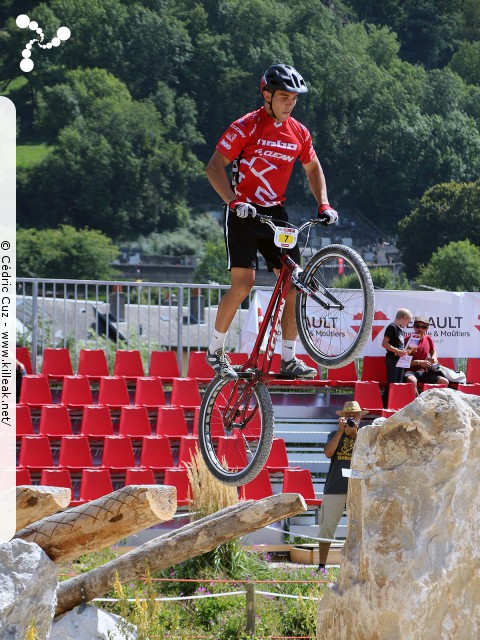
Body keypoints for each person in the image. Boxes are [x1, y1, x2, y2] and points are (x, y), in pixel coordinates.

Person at [204, 63, 338, 380]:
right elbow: (213, 167)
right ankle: (215, 350)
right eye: (283, 97)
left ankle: (289, 359)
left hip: (276, 214)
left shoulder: (299, 132)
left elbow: (313, 168)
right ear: (266, 95)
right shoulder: (246, 126)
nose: (289, 103)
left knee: (293, 283)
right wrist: (234, 201)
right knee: (243, 284)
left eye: (293, 98)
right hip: (243, 212)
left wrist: (324, 203)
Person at [317, 400, 368, 575]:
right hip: (335, 487)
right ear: (342, 417)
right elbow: (328, 453)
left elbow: (368, 456)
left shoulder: (364, 435)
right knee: (327, 528)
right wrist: (340, 432)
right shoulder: (333, 434)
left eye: (354, 415)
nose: (351, 418)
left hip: (358, 489)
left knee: (359, 528)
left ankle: (359, 566)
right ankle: (321, 566)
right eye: (348, 415)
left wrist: (356, 435)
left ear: (360, 417)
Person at [403, 316, 449, 394]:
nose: (420, 329)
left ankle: (435, 403)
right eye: (417, 326)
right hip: (409, 371)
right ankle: (418, 403)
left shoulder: (428, 338)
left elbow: (433, 351)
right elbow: (403, 362)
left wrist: (434, 357)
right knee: (412, 381)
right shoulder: (408, 339)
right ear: (414, 327)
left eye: (423, 327)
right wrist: (418, 362)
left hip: (424, 372)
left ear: (427, 328)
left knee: (444, 381)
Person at [381, 308, 413, 404]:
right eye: (408, 321)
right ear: (404, 318)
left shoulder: (399, 330)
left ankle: (394, 404)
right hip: (392, 360)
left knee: (398, 384)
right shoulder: (392, 327)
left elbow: (398, 346)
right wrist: (397, 351)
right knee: (393, 384)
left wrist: (405, 351)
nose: (407, 324)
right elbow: (384, 344)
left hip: (400, 360)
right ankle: (385, 404)